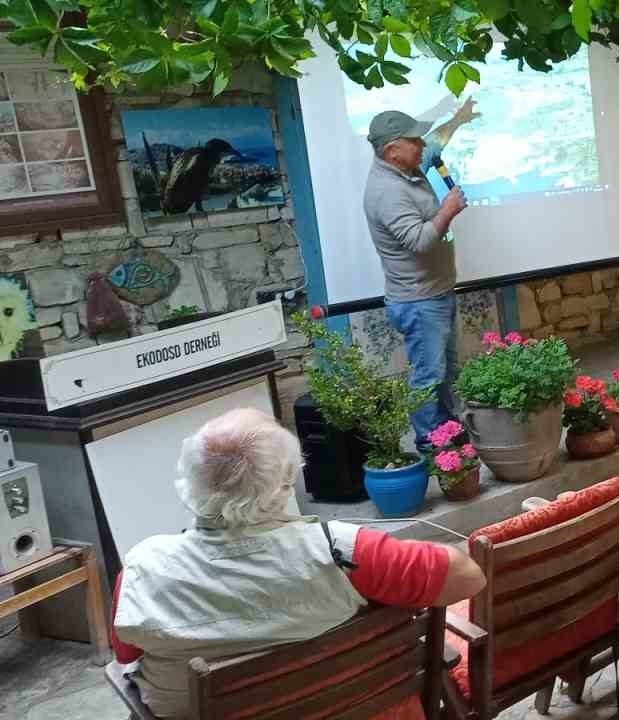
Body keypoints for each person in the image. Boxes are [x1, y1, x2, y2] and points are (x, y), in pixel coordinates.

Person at [111, 408, 486, 718]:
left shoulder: (142, 571)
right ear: (285, 483)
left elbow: (126, 655)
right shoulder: (344, 551)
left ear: (189, 483)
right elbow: (468, 577)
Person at [363, 109, 469, 451]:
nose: (422, 144)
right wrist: (449, 210)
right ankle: (430, 443)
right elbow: (420, 241)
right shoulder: (387, 192)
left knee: (446, 371)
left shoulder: (407, 168)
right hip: (419, 302)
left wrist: (460, 118)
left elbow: (435, 145)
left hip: (436, 294)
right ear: (393, 150)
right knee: (429, 375)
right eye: (414, 140)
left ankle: (449, 430)